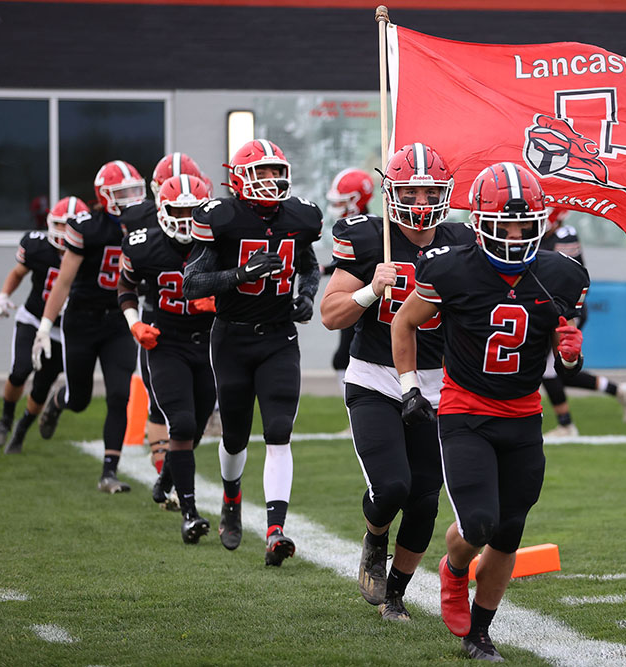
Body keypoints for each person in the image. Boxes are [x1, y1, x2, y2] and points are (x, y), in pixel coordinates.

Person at [392, 162, 589, 661]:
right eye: (507, 224)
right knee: (478, 523)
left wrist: (570, 352)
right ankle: (454, 570)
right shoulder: (452, 268)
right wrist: (410, 384)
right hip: (466, 412)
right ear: (480, 223)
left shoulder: (560, 275)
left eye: (526, 225)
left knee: (508, 531)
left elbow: (564, 358)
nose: (518, 234)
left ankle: (479, 634)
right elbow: (404, 321)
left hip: (523, 415)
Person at [320, 144, 474, 621]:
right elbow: (330, 315)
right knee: (392, 487)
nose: (423, 198)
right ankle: (374, 538)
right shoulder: (369, 238)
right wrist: (370, 288)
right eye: (412, 189)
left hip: (435, 383)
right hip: (375, 378)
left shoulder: (461, 240)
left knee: (426, 499)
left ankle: (396, 594)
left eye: (431, 189)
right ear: (392, 193)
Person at [183, 138, 322, 566]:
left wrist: (307, 295)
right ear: (239, 178)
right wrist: (240, 273)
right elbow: (191, 284)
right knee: (236, 434)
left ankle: (276, 529)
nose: (270, 180)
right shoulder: (222, 218)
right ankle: (231, 499)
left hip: (279, 338)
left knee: (279, 430)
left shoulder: (299, 217)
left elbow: (310, 265)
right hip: (233, 338)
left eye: (276, 172)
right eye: (261, 172)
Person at [118, 174, 217, 543]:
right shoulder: (144, 246)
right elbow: (126, 285)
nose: (187, 218)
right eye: (179, 209)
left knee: (197, 425)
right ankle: (189, 513)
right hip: (166, 343)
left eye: (195, 210)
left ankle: (164, 479)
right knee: (182, 422)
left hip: (208, 343)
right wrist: (134, 324)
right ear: (162, 209)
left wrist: (219, 298)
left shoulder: (218, 242)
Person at [32, 161, 143, 492]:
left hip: (119, 318)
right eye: (123, 193)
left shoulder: (146, 224)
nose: (132, 199)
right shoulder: (87, 227)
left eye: (135, 190)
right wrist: (45, 325)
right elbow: (63, 282)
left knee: (119, 395)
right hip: (81, 319)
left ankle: (109, 471)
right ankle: (58, 401)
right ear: (104, 197)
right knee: (79, 399)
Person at [0, 196, 78, 453]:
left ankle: (21, 429)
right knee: (20, 370)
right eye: (59, 225)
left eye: (69, 226)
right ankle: (5, 420)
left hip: (62, 331)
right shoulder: (38, 247)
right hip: (33, 318)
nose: (63, 232)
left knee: (41, 387)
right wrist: (4, 296)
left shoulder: (89, 255)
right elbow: (18, 272)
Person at [538, 208, 626, 438]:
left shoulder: (564, 235)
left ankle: (566, 425)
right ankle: (619, 391)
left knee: (550, 369)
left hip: (567, 311)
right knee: (557, 370)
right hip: (551, 311)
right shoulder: (545, 237)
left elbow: (564, 279)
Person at [323, 167, 375, 438]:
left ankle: (359, 418)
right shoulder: (356, 227)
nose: (338, 207)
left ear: (358, 199)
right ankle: (356, 418)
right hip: (358, 297)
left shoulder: (368, 227)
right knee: (343, 356)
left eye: (343, 201)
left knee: (347, 355)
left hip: (369, 301)